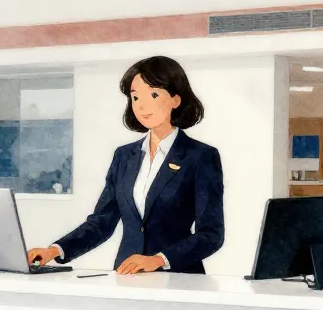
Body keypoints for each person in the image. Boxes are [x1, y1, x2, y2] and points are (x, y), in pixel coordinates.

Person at [27, 56, 225, 275]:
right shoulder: (124, 156)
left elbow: (211, 234)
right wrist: (55, 250)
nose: (142, 105)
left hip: (179, 278)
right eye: (136, 97)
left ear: (176, 100)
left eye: (154, 95)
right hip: (127, 276)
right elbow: (103, 222)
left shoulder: (200, 157)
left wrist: (160, 259)